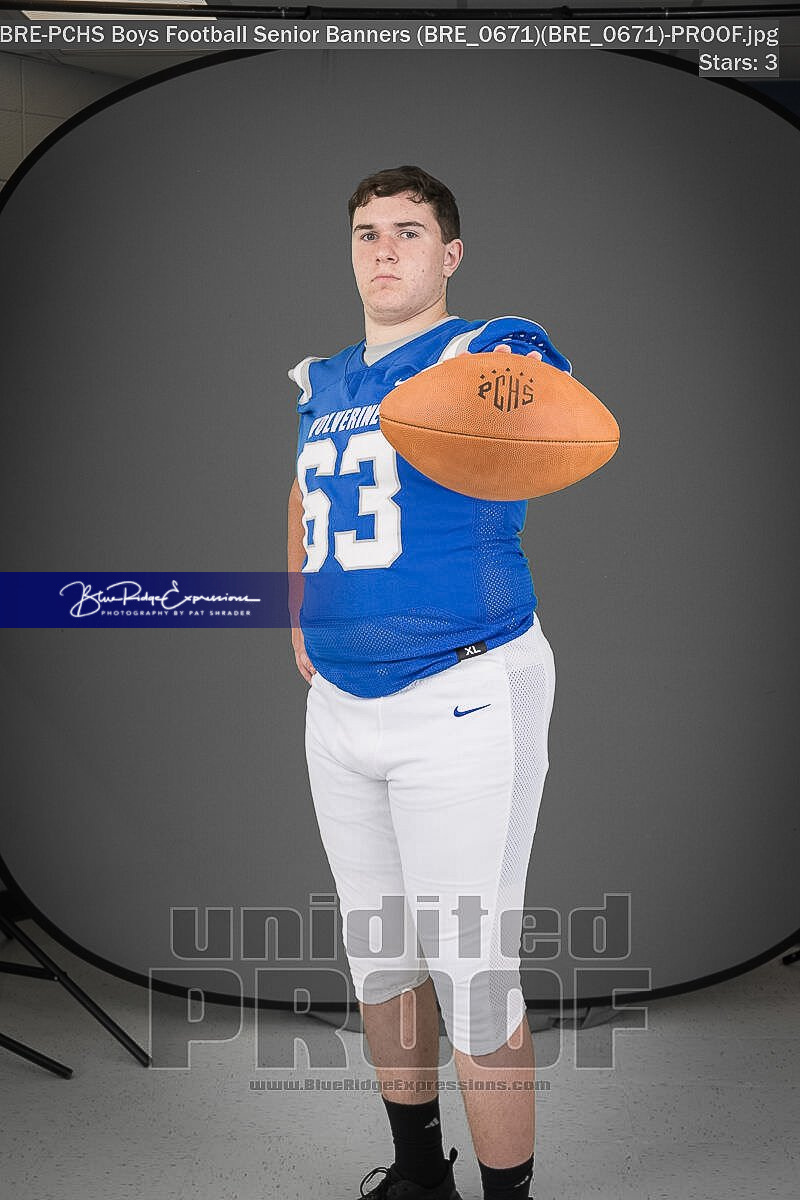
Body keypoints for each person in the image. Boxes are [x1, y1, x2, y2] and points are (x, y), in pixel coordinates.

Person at [287, 166, 568, 1200]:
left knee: (473, 975)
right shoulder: (323, 382)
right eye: (367, 232)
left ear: (449, 255)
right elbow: (304, 494)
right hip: (340, 706)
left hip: (462, 689)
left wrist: (503, 390)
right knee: (380, 960)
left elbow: (537, 406)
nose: (384, 249)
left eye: (408, 231)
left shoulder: (482, 349)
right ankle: (418, 1178)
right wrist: (297, 610)